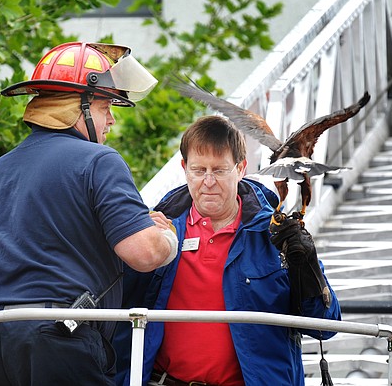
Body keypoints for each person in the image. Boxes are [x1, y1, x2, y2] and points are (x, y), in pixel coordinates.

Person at [0, 41, 178, 386]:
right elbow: (144, 253)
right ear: (80, 106)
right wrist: (167, 237)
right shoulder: (99, 161)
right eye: (106, 107)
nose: (112, 120)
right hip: (53, 335)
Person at [116, 115, 342, 386]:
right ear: (184, 168)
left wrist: (307, 266)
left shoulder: (277, 235)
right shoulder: (157, 233)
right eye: (199, 170)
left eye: (220, 170)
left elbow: (325, 326)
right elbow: (117, 313)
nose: (208, 181)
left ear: (241, 168)